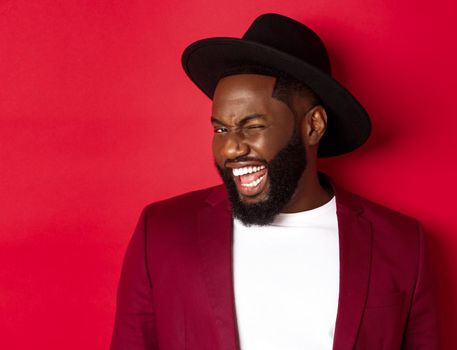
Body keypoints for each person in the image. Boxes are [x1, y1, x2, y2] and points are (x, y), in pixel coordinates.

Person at [111, 13, 438, 350]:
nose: (230, 147)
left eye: (253, 126)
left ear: (313, 126)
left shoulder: (401, 245)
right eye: (221, 129)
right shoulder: (162, 232)